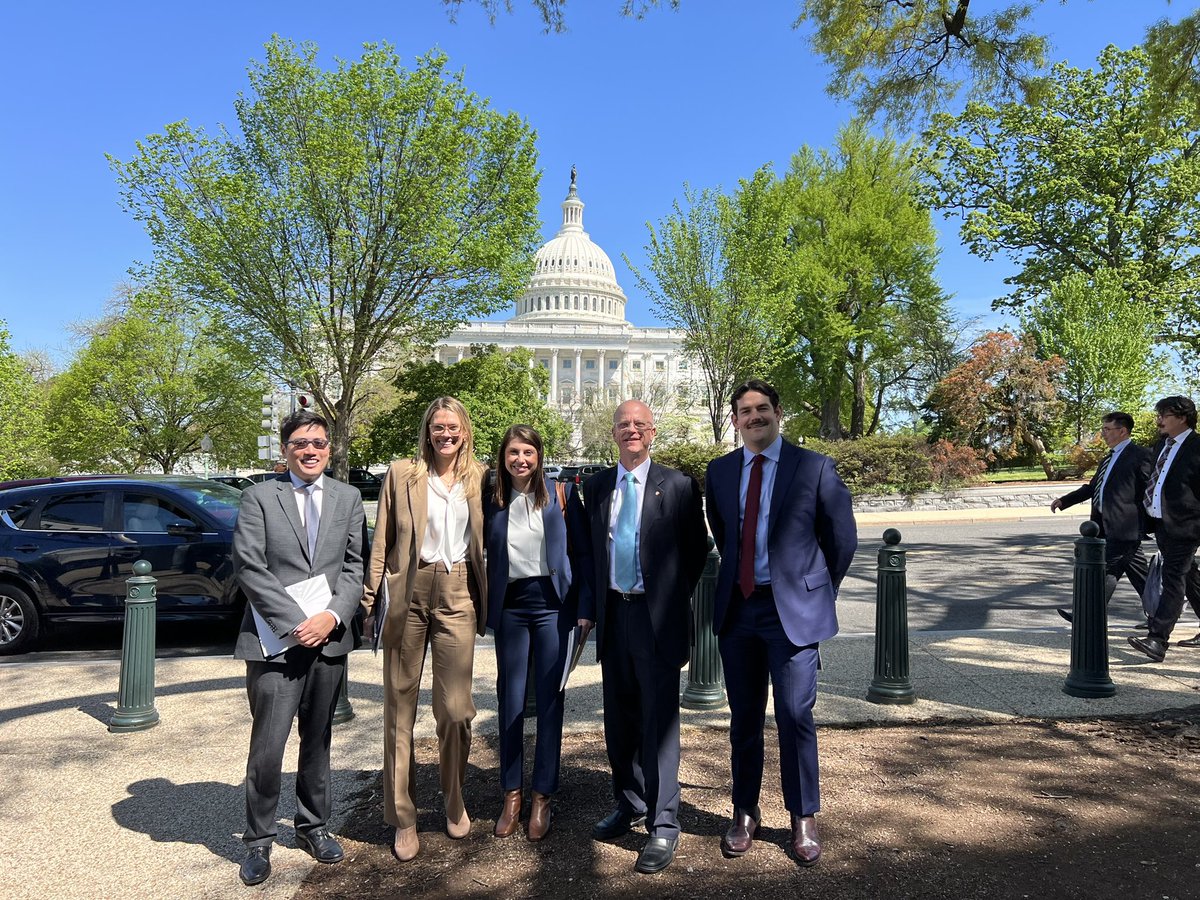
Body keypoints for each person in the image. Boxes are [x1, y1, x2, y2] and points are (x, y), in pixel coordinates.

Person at [704, 379, 857, 867]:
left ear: (778, 412)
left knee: (794, 715)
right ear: (735, 420)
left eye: (763, 408)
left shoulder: (813, 467)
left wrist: (814, 590)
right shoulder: (721, 471)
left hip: (791, 614)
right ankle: (744, 812)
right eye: (745, 411)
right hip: (739, 610)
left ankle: (803, 816)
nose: (755, 417)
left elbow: (841, 538)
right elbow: (724, 533)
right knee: (744, 718)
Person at [567, 399, 708, 874]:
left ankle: (664, 824)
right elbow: (589, 552)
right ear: (614, 433)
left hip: (655, 617)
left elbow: (694, 552)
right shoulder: (598, 485)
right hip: (614, 615)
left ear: (652, 433)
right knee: (620, 720)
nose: (631, 431)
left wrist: (666, 597)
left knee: (659, 724)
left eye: (639, 425)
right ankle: (629, 803)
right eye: (623, 424)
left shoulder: (681, 486)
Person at [232, 409, 366, 886]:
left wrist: (331, 616)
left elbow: (354, 567)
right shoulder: (257, 498)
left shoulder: (348, 497)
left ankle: (313, 825)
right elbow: (249, 566)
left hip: (328, 641)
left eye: (319, 443)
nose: (311, 451)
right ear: (284, 450)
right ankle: (259, 841)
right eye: (300, 444)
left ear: (330, 449)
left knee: (319, 740)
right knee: (268, 745)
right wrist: (294, 623)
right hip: (275, 642)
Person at [365, 397, 488, 860]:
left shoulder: (480, 477)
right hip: (409, 589)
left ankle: (454, 798)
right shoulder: (403, 474)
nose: (445, 434)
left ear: (464, 431)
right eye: (438, 427)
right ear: (428, 431)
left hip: (459, 592)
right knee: (399, 708)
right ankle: (403, 816)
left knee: (456, 710)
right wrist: (370, 598)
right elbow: (383, 540)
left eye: (452, 427)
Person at [483, 425, 575, 841]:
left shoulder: (560, 495)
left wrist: (584, 610)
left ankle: (542, 795)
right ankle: (512, 793)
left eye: (528, 452)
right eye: (513, 452)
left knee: (551, 699)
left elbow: (583, 553)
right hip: (511, 608)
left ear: (539, 455)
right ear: (503, 457)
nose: (520, 459)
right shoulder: (492, 500)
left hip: (551, 605)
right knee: (511, 700)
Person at [1050, 412, 1154, 620]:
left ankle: (1085, 614)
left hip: (1125, 528)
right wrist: (1065, 500)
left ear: (1122, 431)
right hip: (1104, 526)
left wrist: (1146, 523)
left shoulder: (1140, 455)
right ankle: (1159, 614)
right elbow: (1093, 487)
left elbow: (1150, 490)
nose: (1103, 434)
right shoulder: (1109, 458)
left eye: (1107, 429)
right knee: (1136, 575)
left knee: (1104, 570)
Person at [1129, 396, 1200, 662]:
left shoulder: (1197, 447)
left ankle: (1157, 640)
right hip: (1161, 524)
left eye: (1164, 415)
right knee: (1187, 574)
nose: (1159, 420)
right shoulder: (1162, 445)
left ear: (1182, 418)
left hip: (1186, 526)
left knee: (1173, 579)